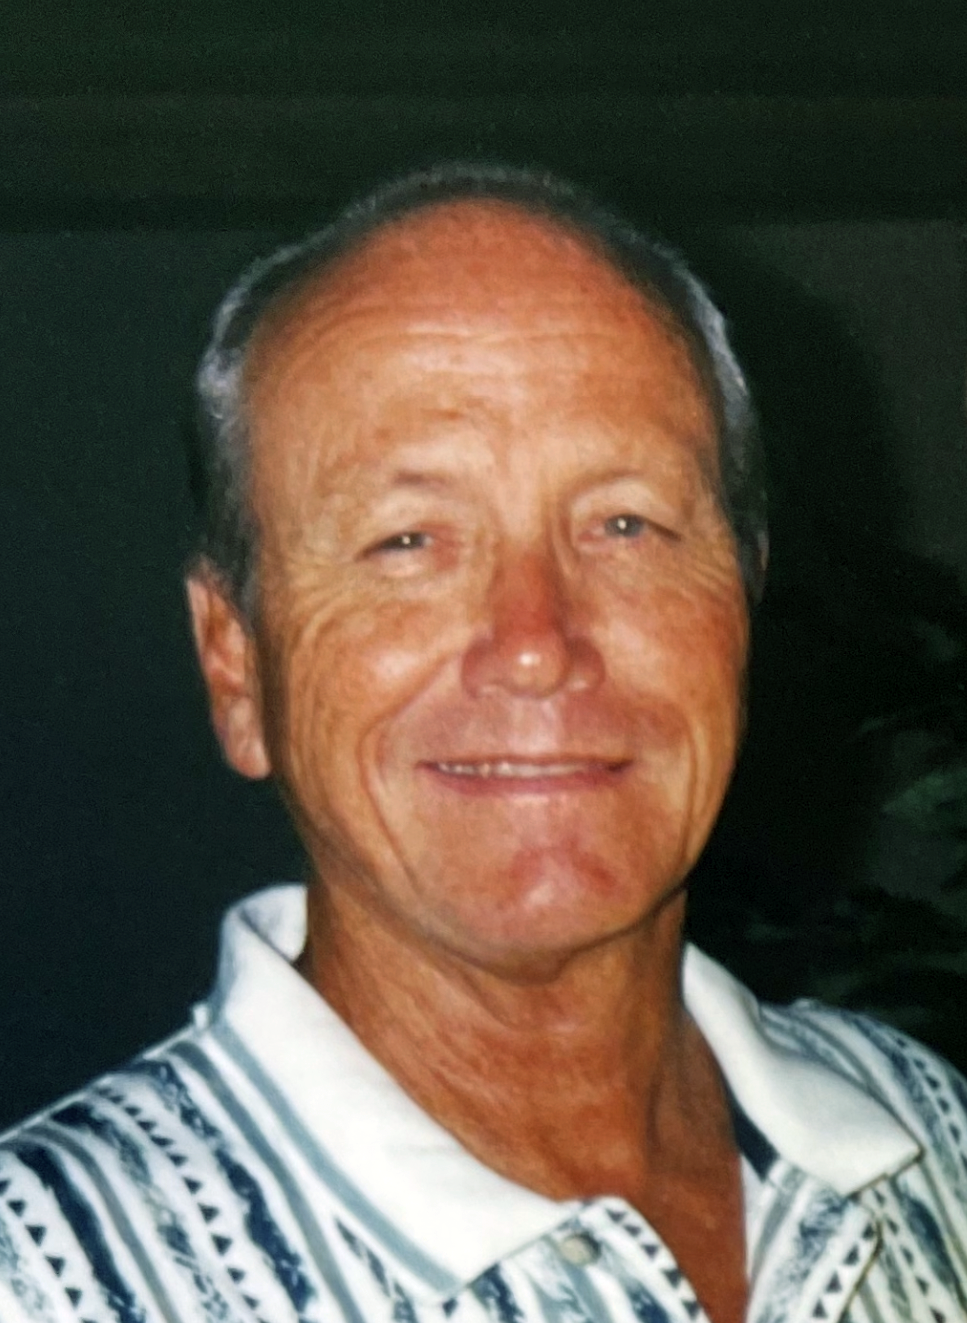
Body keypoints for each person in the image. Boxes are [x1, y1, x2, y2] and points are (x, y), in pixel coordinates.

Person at [1, 163, 965, 1323]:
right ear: (236, 664)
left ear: (742, 615)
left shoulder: (929, 1137)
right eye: (407, 540)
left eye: (625, 523)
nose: (535, 645)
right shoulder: (42, 1280)